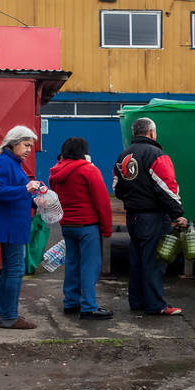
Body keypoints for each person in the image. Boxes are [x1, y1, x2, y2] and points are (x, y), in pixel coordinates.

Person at [113, 117, 187, 316]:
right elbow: (167, 187)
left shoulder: (123, 156)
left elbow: (117, 189)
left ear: (134, 133)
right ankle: (156, 305)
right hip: (153, 217)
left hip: (133, 217)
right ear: (152, 133)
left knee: (137, 260)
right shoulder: (156, 154)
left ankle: (137, 301)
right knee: (154, 262)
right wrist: (178, 213)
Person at [0, 125, 42, 329]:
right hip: (11, 225)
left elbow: (7, 190)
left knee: (10, 270)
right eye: (26, 145)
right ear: (14, 142)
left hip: (13, 223)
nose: (29, 150)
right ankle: (9, 316)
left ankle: (4, 314)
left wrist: (34, 199)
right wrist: (26, 187)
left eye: (31, 146)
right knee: (15, 269)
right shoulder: (4, 162)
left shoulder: (10, 161)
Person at [48, 137, 113, 320]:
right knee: (89, 266)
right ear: (84, 152)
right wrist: (106, 229)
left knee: (72, 263)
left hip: (67, 225)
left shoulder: (55, 171)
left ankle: (70, 303)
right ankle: (89, 307)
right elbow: (102, 202)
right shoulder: (89, 170)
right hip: (87, 226)